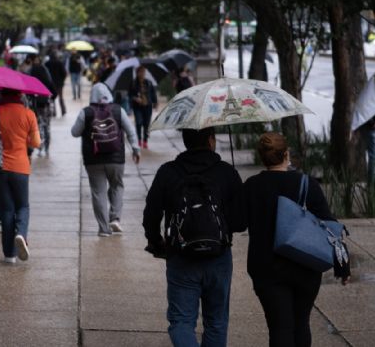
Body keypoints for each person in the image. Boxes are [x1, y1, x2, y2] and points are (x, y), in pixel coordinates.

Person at [243, 133, 349, 347]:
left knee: (279, 327)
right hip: (305, 265)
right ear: (287, 154)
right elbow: (329, 225)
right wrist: (343, 265)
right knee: (301, 323)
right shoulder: (306, 183)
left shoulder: (252, 186)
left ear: (262, 157)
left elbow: (237, 223)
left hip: (266, 268)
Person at [143, 127, 245, 347]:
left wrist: (155, 241)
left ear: (185, 141)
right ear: (211, 140)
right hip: (218, 257)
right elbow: (239, 222)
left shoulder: (168, 172)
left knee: (181, 321)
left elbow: (151, 212)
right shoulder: (226, 172)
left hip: (181, 256)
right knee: (216, 321)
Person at [0, 89, 41, 264]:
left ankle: (9, 255)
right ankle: (21, 233)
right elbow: (36, 143)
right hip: (20, 167)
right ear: (20, 96)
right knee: (23, 206)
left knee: (6, 210)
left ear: (1, 95)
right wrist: (23, 138)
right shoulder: (29, 114)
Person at [71, 83, 140, 236]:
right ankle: (115, 218)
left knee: (98, 192)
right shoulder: (118, 110)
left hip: (93, 160)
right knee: (117, 186)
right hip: (116, 159)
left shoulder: (86, 112)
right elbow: (131, 131)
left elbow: (74, 132)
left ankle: (103, 229)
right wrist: (136, 149)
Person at [27, 54, 57, 157]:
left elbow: (28, 92)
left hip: (36, 105)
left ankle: (40, 148)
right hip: (46, 104)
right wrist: (51, 98)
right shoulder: (45, 74)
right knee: (47, 126)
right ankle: (47, 148)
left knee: (38, 127)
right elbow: (53, 90)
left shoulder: (32, 74)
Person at [130, 66, 158, 149]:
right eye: (141, 72)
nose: (142, 74)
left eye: (143, 72)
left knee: (146, 124)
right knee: (138, 123)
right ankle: (139, 139)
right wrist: (135, 98)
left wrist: (155, 102)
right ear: (137, 73)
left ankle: (145, 141)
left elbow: (153, 93)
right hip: (137, 106)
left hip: (147, 106)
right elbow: (130, 95)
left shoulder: (149, 82)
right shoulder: (133, 83)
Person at [45, 50, 68, 116]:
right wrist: (62, 80)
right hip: (59, 83)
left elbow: (46, 73)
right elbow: (64, 73)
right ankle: (63, 111)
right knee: (61, 97)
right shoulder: (59, 63)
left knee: (52, 98)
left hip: (51, 84)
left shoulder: (47, 63)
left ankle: (53, 112)